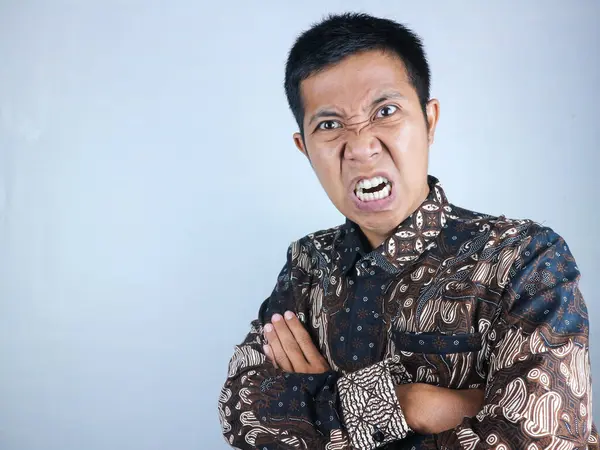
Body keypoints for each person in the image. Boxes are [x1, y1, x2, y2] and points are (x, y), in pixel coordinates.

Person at [217, 12, 597, 449]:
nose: (360, 146)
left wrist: (323, 405)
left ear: (429, 121)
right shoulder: (308, 263)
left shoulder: (523, 259)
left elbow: (540, 440)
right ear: (304, 147)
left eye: (385, 111)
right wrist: (411, 404)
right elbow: (244, 415)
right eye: (329, 125)